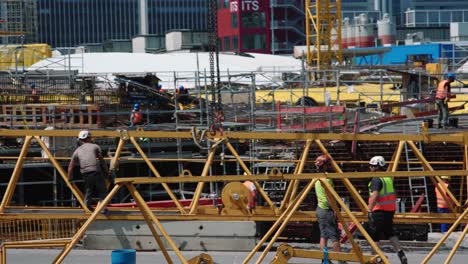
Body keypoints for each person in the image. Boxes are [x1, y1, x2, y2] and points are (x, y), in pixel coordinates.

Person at [367, 156, 407, 264]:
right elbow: (393, 194)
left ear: (377, 167)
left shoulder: (376, 179)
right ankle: (401, 253)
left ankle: (374, 258)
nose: (370, 168)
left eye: (372, 166)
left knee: (374, 236)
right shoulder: (388, 178)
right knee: (390, 233)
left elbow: (374, 195)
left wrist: (369, 210)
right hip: (390, 210)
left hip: (378, 211)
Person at [314, 155, 347, 264]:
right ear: (325, 166)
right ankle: (340, 260)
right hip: (327, 210)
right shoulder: (327, 179)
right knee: (334, 236)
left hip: (319, 209)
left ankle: (325, 260)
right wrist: (335, 210)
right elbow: (329, 197)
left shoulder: (316, 179)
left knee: (323, 236)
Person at [68, 130, 109, 213]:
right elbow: (102, 161)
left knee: (89, 189)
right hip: (95, 171)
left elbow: (70, 167)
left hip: (85, 174)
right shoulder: (95, 146)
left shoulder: (77, 151)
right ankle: (103, 208)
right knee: (102, 190)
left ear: (80, 139)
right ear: (88, 138)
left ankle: (86, 204)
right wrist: (107, 172)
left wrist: (69, 178)